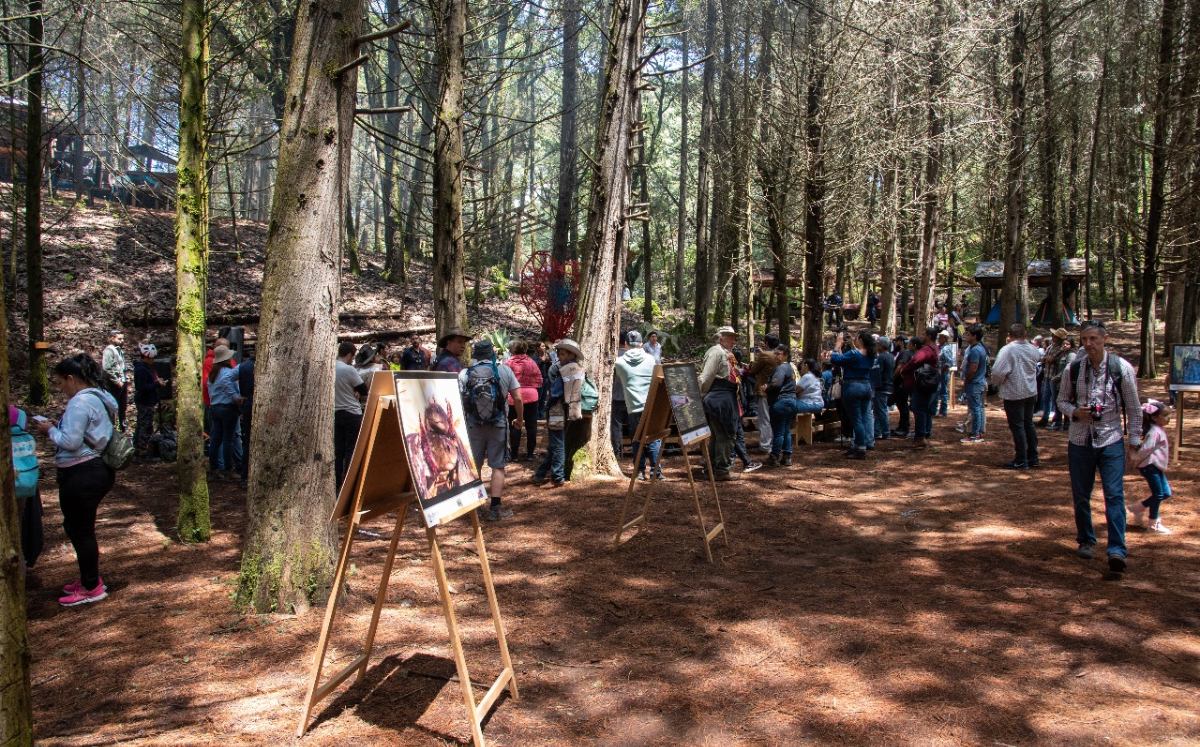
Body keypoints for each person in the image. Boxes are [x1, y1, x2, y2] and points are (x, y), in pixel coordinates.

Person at [1056, 319, 1142, 573]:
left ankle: (1117, 549)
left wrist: (1134, 443)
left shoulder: (1120, 368)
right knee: (1081, 494)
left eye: (1093, 339)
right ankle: (1086, 539)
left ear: (1105, 339)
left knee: (1114, 495)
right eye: (1084, 339)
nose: (1088, 344)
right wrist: (1075, 413)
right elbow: (1061, 401)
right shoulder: (1073, 369)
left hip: (1110, 439)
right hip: (1080, 440)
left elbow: (1135, 408)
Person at [33, 354, 118, 607]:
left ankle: (92, 586)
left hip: (83, 472)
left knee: (80, 530)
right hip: (96, 469)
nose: (61, 390)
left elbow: (69, 441)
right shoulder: (103, 397)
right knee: (79, 528)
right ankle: (89, 579)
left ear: (71, 379)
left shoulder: (80, 404)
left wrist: (49, 430)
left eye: (61, 384)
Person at [460, 339, 523, 521]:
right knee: (497, 466)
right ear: (492, 354)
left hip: (473, 426)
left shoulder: (465, 373)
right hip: (498, 424)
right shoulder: (504, 370)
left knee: (475, 466)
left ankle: (475, 508)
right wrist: (519, 419)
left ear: (475, 355)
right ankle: (495, 507)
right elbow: (517, 398)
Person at [533, 339, 586, 487]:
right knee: (556, 443)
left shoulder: (564, 371)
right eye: (559, 353)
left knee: (557, 444)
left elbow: (555, 393)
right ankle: (541, 473)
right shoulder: (577, 369)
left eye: (562, 354)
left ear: (570, 355)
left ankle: (557, 477)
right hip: (568, 409)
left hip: (557, 409)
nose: (559, 357)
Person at [990, 324, 1043, 470]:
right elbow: (1038, 360)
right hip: (1030, 391)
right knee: (1028, 424)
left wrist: (996, 384)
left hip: (1014, 393)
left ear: (1010, 335)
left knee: (1018, 426)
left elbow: (998, 372)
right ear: (1025, 335)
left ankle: (1021, 459)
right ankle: (1033, 457)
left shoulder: (1008, 350)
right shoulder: (1032, 349)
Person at [615, 331, 664, 480]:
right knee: (654, 438)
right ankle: (656, 472)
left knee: (637, 439)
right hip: (651, 405)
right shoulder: (651, 359)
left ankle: (640, 471)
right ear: (642, 344)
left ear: (625, 344)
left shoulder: (619, 363)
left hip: (633, 407)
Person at [699, 326, 741, 481]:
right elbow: (706, 376)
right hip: (719, 397)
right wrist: (702, 394)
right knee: (725, 435)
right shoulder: (716, 352)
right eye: (730, 337)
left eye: (734, 337)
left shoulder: (725, 353)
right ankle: (721, 470)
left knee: (720, 435)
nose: (733, 340)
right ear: (721, 337)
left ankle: (713, 468)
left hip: (726, 396)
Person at [829, 330, 876, 459]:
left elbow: (835, 359)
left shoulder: (854, 354)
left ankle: (860, 448)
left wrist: (838, 344)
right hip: (866, 386)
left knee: (856, 419)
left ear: (860, 340)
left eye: (856, 338)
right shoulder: (870, 354)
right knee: (865, 417)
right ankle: (862, 444)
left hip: (853, 387)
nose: (854, 339)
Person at [1131, 401, 1173, 534]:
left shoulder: (1159, 429)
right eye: (1165, 416)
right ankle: (1153, 524)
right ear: (1155, 418)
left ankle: (1138, 508)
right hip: (1150, 466)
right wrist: (1135, 458)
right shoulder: (1155, 432)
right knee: (1159, 494)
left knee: (1165, 493)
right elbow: (1146, 449)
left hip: (1156, 467)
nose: (1168, 418)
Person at [334, 342, 369, 489]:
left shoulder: (331, 367)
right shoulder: (348, 369)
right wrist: (356, 390)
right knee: (351, 449)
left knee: (339, 449)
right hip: (352, 413)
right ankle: (348, 483)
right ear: (349, 355)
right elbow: (364, 389)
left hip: (336, 412)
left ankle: (336, 481)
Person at [503, 339, 542, 461]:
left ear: (512, 350)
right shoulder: (532, 363)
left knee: (515, 424)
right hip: (532, 397)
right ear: (525, 349)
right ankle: (530, 454)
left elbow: (503, 381)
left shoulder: (507, 364)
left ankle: (514, 455)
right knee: (531, 426)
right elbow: (540, 380)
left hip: (513, 398)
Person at [207, 345, 243, 480]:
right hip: (227, 408)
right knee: (228, 440)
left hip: (215, 408)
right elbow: (230, 387)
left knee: (216, 439)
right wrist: (236, 398)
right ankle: (228, 469)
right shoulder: (228, 373)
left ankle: (214, 468)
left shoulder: (212, 374)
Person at [900, 328, 939, 448]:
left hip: (922, 383)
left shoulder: (927, 349)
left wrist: (904, 369)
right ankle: (924, 433)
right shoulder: (935, 347)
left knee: (918, 408)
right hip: (929, 382)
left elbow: (915, 360)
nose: (921, 336)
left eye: (923, 334)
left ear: (928, 336)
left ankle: (920, 437)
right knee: (924, 408)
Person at [746, 334, 781, 453]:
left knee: (764, 419)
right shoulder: (780, 355)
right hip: (777, 391)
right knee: (773, 418)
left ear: (766, 343)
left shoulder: (765, 355)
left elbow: (753, 370)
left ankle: (765, 446)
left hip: (764, 391)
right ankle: (774, 443)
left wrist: (760, 355)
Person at [132, 343, 165, 457]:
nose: (153, 360)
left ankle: (137, 448)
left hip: (148, 400)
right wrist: (156, 384)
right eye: (151, 358)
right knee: (145, 426)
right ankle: (141, 451)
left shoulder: (146, 368)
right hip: (145, 401)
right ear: (146, 357)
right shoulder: (141, 369)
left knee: (142, 424)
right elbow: (141, 387)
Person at [959, 324, 989, 444]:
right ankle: (979, 432)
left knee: (975, 408)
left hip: (975, 383)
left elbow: (973, 369)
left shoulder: (975, 350)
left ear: (975, 336)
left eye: (969, 334)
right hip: (979, 382)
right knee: (979, 408)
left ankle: (975, 434)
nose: (966, 336)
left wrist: (967, 379)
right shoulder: (979, 348)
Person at [1039, 328, 1070, 428]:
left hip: (1054, 377)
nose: (1053, 337)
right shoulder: (1051, 347)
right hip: (1047, 375)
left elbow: (1050, 359)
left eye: (1055, 336)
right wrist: (1046, 359)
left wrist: (1048, 359)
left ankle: (1057, 420)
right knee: (1045, 397)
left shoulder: (1061, 349)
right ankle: (1045, 417)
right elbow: (1044, 358)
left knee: (1055, 399)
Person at [101, 330, 129, 431]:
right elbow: (107, 368)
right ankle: (112, 427)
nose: (122, 341)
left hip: (122, 382)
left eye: (123, 339)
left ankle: (122, 426)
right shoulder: (109, 350)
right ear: (112, 338)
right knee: (112, 406)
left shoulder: (119, 350)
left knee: (122, 406)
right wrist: (117, 381)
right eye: (119, 339)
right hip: (113, 385)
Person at [891, 336, 915, 438]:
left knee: (902, 405)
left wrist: (892, 378)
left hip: (901, 383)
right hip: (905, 383)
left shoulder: (905, 353)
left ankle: (904, 428)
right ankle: (902, 426)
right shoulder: (910, 353)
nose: (895, 343)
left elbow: (900, 367)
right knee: (902, 405)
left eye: (897, 341)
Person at [238, 351, 255, 483]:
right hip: (254, 404)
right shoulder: (251, 366)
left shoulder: (242, 366)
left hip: (247, 404)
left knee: (247, 440)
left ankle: (245, 475)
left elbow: (226, 378)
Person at [872, 337, 894, 439]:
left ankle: (885, 432)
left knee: (881, 410)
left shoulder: (881, 357)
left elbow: (877, 372)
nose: (876, 346)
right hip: (887, 386)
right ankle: (877, 431)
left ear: (881, 345)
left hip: (882, 387)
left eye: (877, 344)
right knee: (878, 410)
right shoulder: (890, 356)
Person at [936, 329, 957, 417]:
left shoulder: (946, 348)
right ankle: (937, 409)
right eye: (939, 337)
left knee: (943, 391)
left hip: (943, 373)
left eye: (940, 337)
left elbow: (949, 362)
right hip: (938, 372)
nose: (939, 338)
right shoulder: (939, 347)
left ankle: (943, 411)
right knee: (938, 391)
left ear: (945, 338)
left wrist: (942, 370)